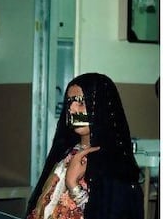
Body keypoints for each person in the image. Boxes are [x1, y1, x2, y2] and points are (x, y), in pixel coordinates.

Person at [25, 73, 143, 219]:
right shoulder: (64, 154)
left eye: (81, 102)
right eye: (69, 102)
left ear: (101, 108)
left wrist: (73, 185)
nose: (72, 109)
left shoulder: (115, 165)